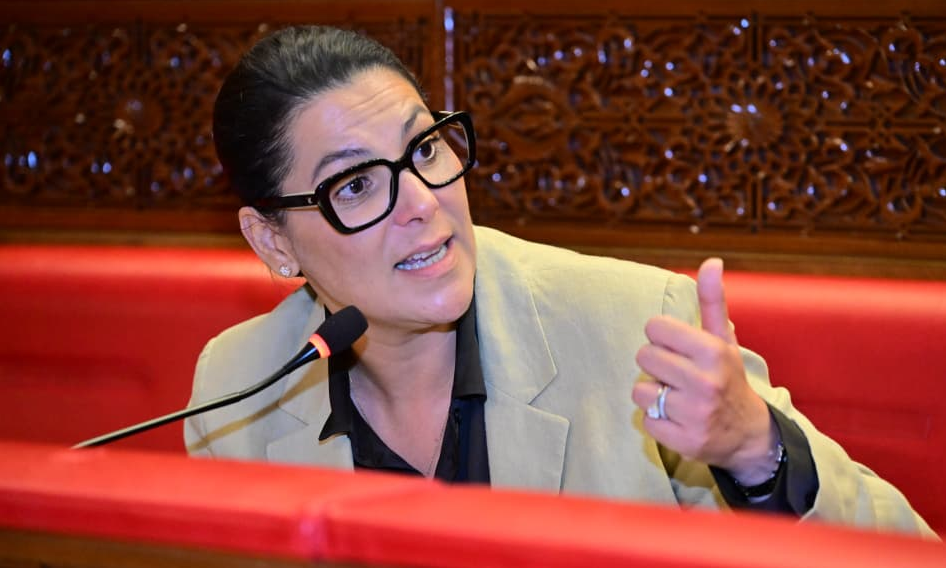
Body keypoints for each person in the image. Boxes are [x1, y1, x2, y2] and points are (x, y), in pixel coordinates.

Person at [185, 25, 934, 537]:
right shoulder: (235, 390)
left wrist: (756, 453)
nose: (422, 203)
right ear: (273, 240)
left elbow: (902, 551)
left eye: (425, 150)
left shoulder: (637, 330)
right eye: (354, 185)